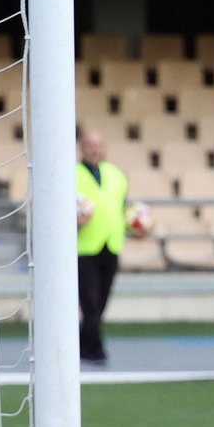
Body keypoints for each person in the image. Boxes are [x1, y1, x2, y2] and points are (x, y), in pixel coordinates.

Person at [75, 129, 127, 366]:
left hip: (110, 244)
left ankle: (82, 344)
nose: (94, 149)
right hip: (83, 247)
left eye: (98, 145)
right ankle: (95, 351)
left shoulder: (115, 175)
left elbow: (121, 208)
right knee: (90, 301)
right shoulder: (71, 174)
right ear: (81, 147)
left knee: (100, 302)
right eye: (89, 145)